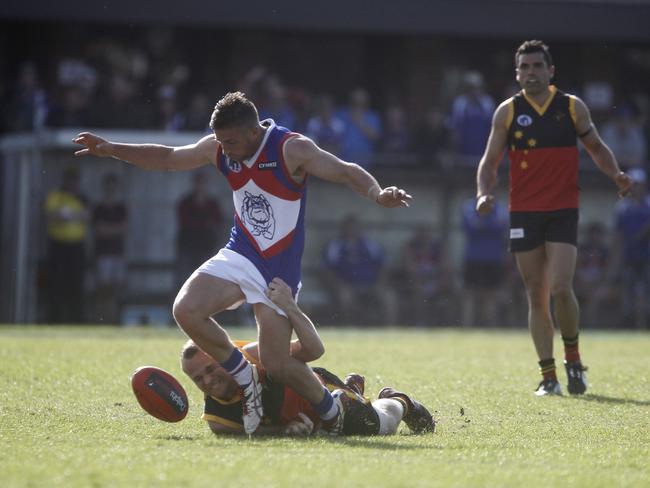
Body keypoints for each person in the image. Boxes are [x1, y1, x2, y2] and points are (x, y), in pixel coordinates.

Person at [73, 91, 411, 434]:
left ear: (253, 132)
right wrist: (112, 148)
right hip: (240, 253)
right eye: (220, 140)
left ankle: (331, 410)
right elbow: (170, 157)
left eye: (230, 141)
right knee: (185, 309)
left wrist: (377, 193)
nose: (225, 149)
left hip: (278, 269)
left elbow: (344, 171)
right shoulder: (219, 147)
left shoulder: (290, 148)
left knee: (278, 363)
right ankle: (244, 377)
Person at [475, 40, 633, 396]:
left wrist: (617, 175)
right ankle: (548, 377)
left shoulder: (572, 107)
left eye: (537, 66)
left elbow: (596, 148)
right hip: (524, 212)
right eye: (525, 68)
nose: (531, 72)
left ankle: (574, 362)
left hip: (563, 209)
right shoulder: (508, 112)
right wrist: (483, 194)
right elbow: (489, 161)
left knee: (561, 288)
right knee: (536, 295)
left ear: (550, 71)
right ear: (517, 74)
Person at [181, 278, 435, 436]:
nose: (208, 381)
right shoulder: (218, 420)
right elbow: (258, 432)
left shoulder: (252, 355)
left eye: (211, 369)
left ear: (223, 356)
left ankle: (398, 401)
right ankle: (353, 388)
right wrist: (287, 431)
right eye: (198, 379)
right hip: (312, 422)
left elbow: (313, 349)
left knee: (375, 425)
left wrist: (290, 306)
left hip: (324, 395)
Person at [322, 214, 398, 326]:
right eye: (348, 228)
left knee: (389, 296)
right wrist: (338, 285)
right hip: (346, 285)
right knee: (345, 297)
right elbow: (326, 269)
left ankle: (390, 329)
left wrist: (380, 283)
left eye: (354, 228)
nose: (351, 231)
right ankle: (349, 326)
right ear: (343, 229)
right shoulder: (335, 245)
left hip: (371, 284)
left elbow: (384, 265)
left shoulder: (370, 244)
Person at [43, 166, 89, 323]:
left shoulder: (82, 198)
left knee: (75, 283)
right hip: (58, 245)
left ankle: (75, 319)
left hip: (76, 247)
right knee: (56, 283)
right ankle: (54, 319)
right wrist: (69, 216)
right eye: (69, 180)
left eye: (74, 180)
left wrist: (68, 215)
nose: (72, 184)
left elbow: (87, 216)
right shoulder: (56, 196)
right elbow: (51, 215)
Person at [460, 196, 509, 328]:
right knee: (469, 293)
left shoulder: (500, 207)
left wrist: (483, 223)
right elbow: (470, 227)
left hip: (494, 257)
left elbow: (502, 226)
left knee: (491, 294)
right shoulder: (469, 206)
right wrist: (490, 224)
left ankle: (490, 326)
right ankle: (467, 326)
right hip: (473, 257)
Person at [612, 168, 650, 329]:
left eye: (639, 184)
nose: (637, 188)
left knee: (646, 291)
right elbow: (618, 235)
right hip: (628, 257)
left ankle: (645, 324)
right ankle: (629, 323)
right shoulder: (622, 207)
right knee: (628, 292)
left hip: (647, 257)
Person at [174, 171, 225, 290]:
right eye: (199, 183)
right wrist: (204, 221)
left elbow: (217, 222)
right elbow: (186, 222)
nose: (200, 186)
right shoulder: (185, 202)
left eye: (203, 183)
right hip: (188, 247)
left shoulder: (212, 203)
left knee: (205, 282)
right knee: (184, 281)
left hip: (206, 247)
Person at [91, 172, 128, 324]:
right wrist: (113, 229)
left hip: (117, 252)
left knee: (117, 288)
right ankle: (102, 318)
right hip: (103, 253)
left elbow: (124, 228)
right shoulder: (99, 208)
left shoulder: (121, 208)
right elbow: (98, 229)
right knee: (103, 288)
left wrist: (108, 229)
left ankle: (115, 319)